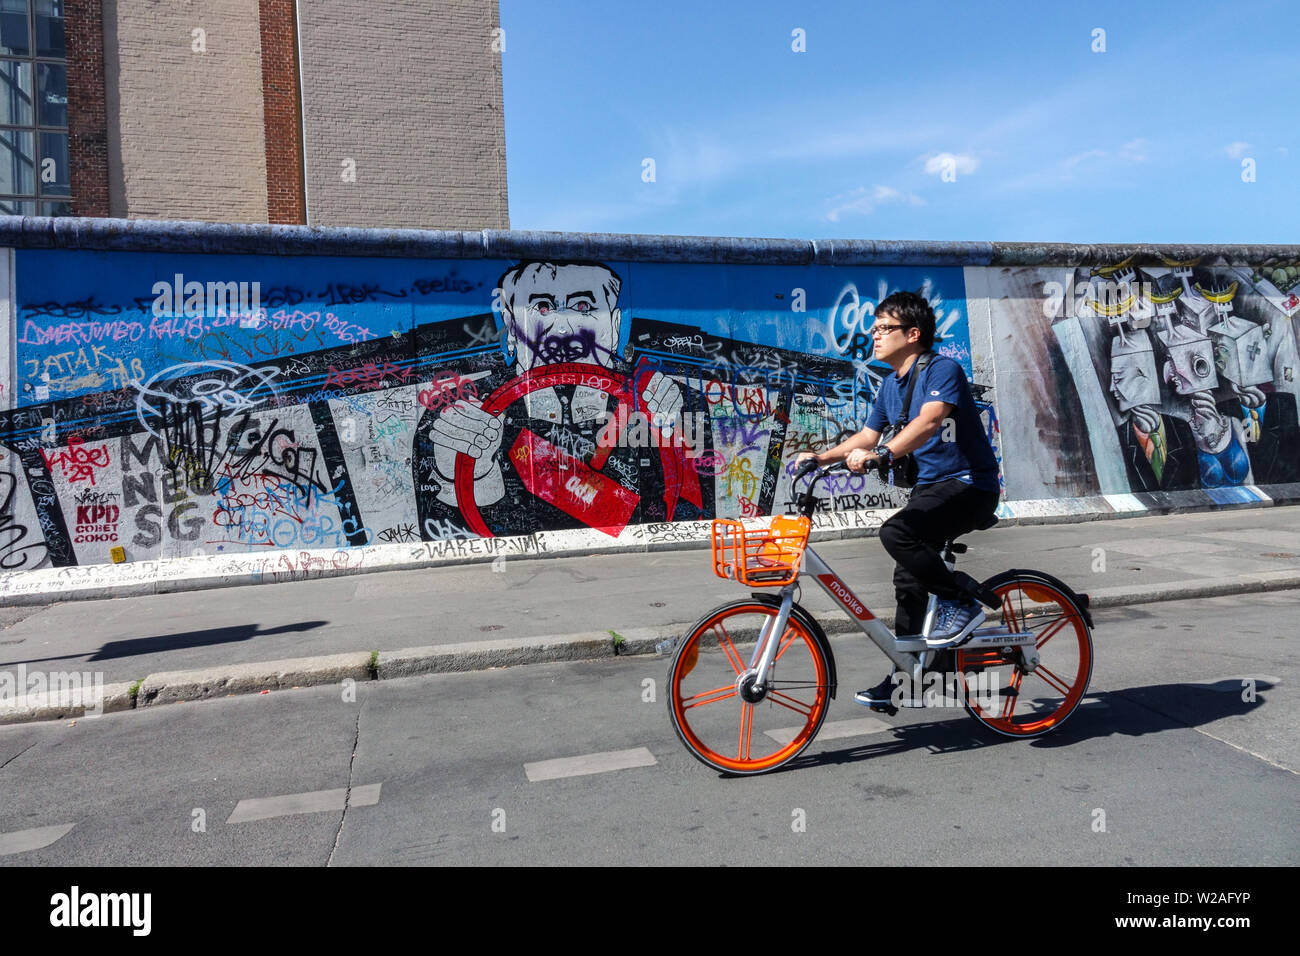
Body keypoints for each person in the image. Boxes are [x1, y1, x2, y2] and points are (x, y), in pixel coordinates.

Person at [796, 290, 1000, 711]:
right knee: (908, 581)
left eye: (882, 328)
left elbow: (929, 421)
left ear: (913, 333)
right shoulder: (890, 385)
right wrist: (820, 457)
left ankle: (960, 602)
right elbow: (867, 437)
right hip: (932, 489)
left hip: (969, 485)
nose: (874, 335)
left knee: (897, 532)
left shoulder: (942, 369)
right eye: (873, 328)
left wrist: (886, 454)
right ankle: (908, 676)